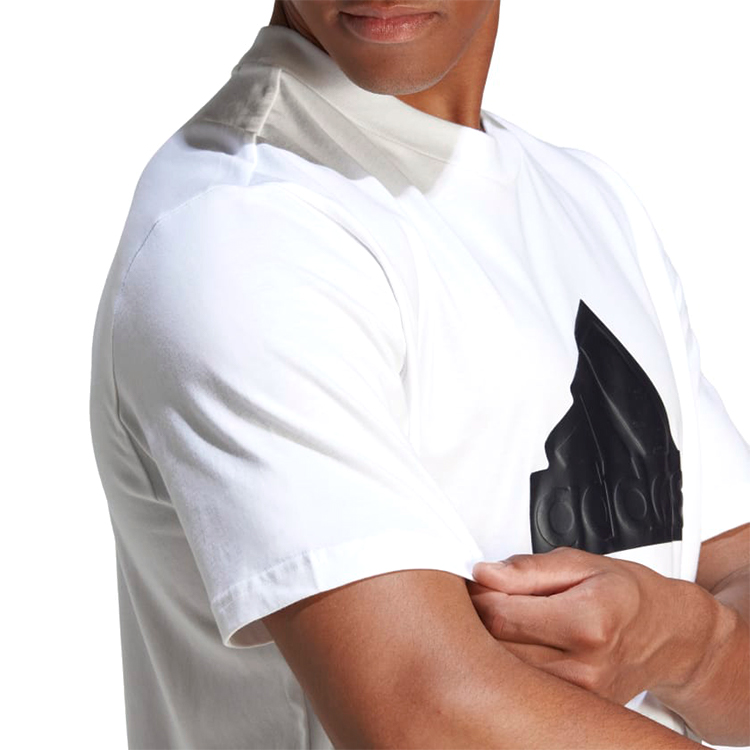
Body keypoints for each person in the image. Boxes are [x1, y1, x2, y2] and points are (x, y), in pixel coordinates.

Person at [88, 0, 749, 747]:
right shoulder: (242, 229)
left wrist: (690, 642)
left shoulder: (591, 203)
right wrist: (703, 644)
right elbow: (426, 719)